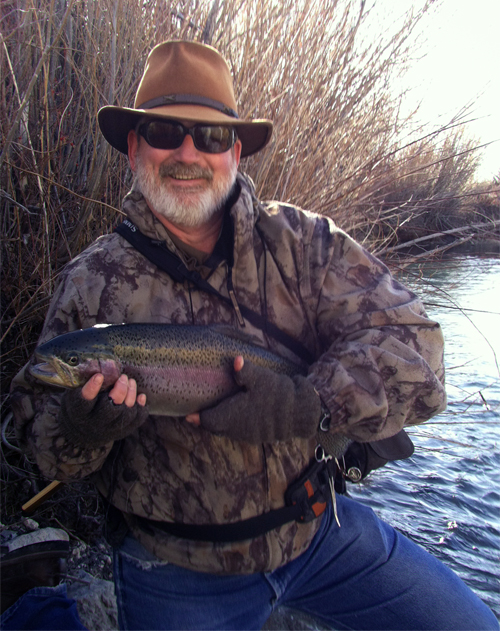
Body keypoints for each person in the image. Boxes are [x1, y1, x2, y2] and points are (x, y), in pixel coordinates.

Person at [10, 40, 498, 631]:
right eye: (165, 132)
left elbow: (419, 353)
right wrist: (82, 427)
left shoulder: (304, 243)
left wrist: (315, 404)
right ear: (135, 146)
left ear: (235, 151)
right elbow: (41, 443)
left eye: (211, 137)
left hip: (321, 535)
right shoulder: (89, 284)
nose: (187, 152)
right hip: (174, 568)